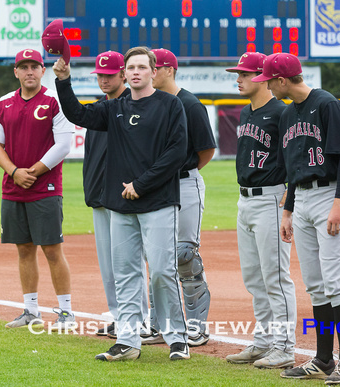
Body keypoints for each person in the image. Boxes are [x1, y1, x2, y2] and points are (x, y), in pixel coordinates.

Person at [53, 46, 189, 361]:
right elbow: (78, 114)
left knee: (161, 272)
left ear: (154, 72)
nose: (137, 72)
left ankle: (177, 338)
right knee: (125, 273)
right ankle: (128, 340)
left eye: (143, 67)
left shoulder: (170, 105)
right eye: (132, 67)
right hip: (120, 205)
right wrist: (63, 80)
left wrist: (141, 185)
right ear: (125, 73)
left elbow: (177, 151)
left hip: (158, 201)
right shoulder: (114, 108)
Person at [253, 53, 340, 384]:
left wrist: (339, 202)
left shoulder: (327, 104)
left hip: (330, 195)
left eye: (269, 80)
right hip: (302, 198)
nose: (267, 85)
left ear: (282, 80)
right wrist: (287, 209)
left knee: (335, 280)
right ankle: (323, 359)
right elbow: (294, 168)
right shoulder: (287, 114)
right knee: (315, 284)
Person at [0, 48, 75, 331]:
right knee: (24, 249)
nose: (29, 72)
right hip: (13, 187)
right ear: (16, 72)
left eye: (34, 66)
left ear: (42, 70)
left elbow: (63, 145)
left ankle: (66, 313)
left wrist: (33, 172)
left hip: (46, 187)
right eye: (23, 67)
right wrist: (14, 172)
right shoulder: (4, 103)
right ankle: (31, 310)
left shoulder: (54, 101)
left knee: (52, 249)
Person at [223, 52, 297, 369]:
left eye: (243, 74)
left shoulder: (282, 113)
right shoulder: (246, 113)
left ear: (262, 77)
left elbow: (294, 160)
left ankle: (284, 346)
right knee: (254, 278)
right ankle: (264, 342)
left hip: (272, 198)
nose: (238, 78)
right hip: (246, 200)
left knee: (276, 278)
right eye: (237, 73)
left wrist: (288, 204)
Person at [140, 48, 216, 347]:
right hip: (156, 188)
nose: (149, 73)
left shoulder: (190, 104)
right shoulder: (149, 103)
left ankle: (197, 325)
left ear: (168, 70)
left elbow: (206, 150)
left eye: (153, 68)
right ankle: (160, 325)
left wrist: (181, 172)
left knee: (184, 255)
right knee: (157, 257)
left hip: (184, 184)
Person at [83, 51, 148, 338]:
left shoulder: (131, 106)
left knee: (130, 262)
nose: (104, 79)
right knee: (109, 265)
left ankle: (141, 318)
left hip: (125, 195)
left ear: (123, 74)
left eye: (109, 74)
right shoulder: (99, 107)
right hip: (99, 194)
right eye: (100, 74)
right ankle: (120, 317)